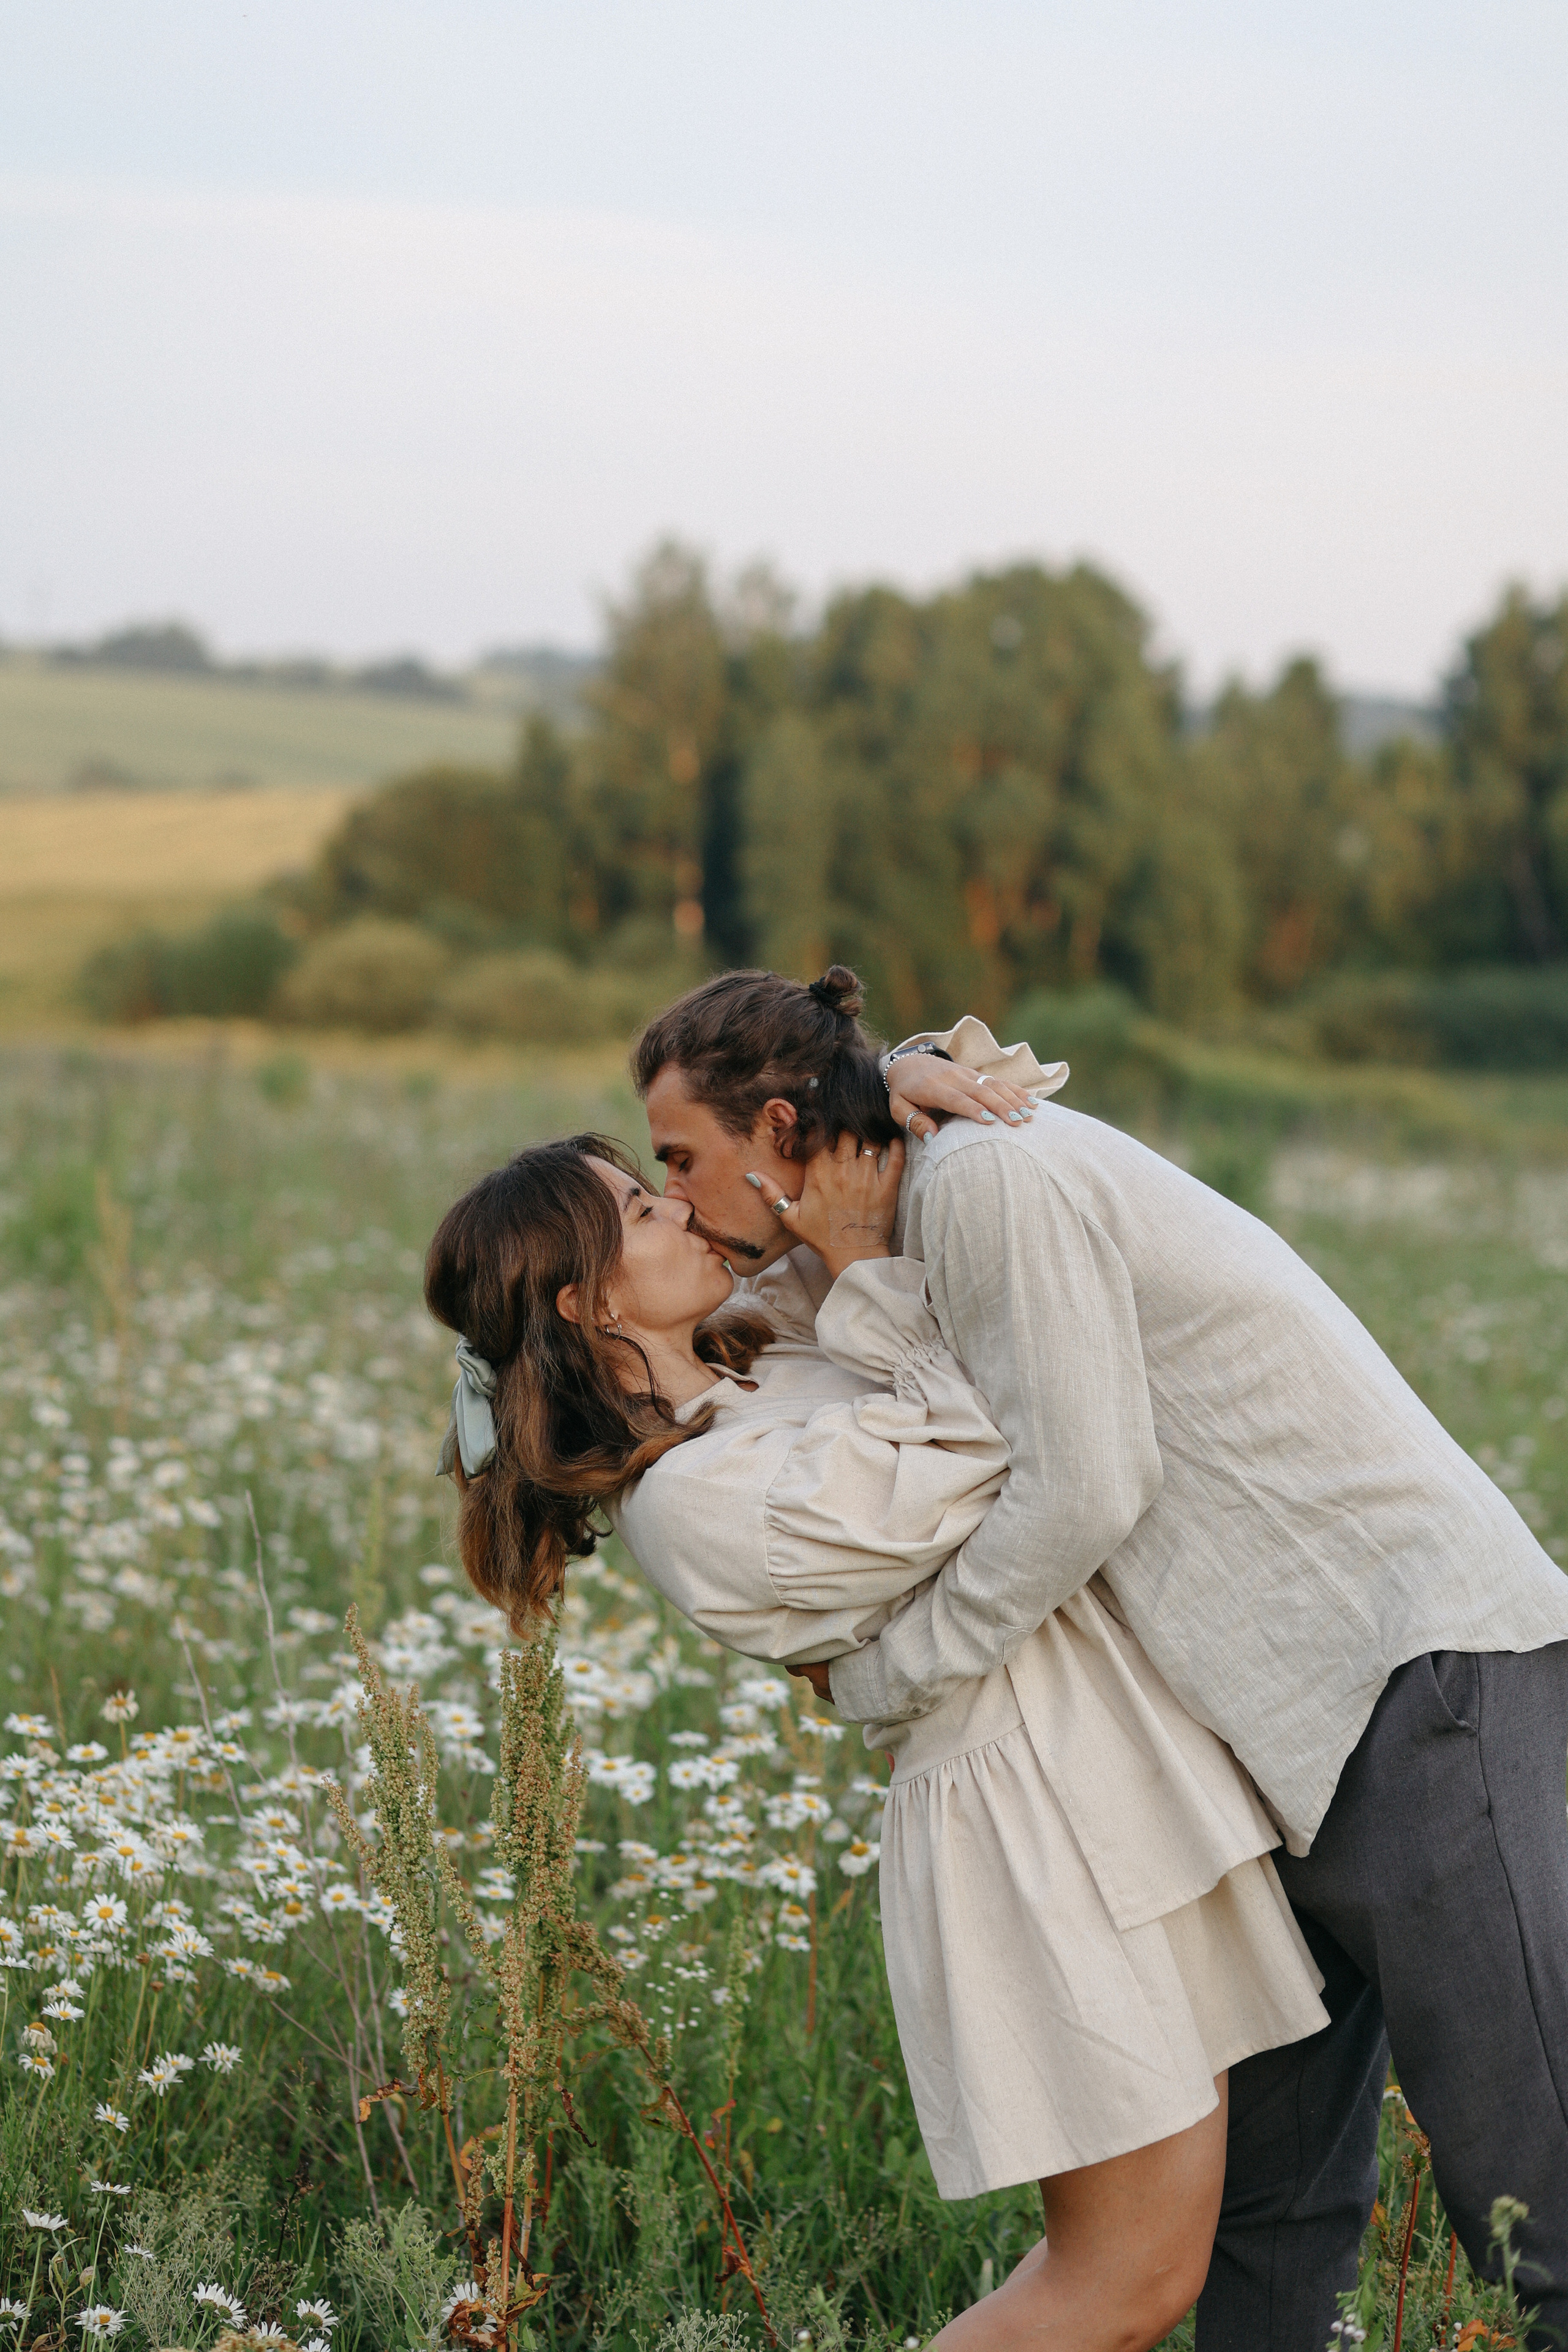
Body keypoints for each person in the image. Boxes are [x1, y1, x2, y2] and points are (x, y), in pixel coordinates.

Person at [631, 964, 1568, 2352]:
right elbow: (745, 1350)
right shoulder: (867, 1229)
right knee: (1269, 2226)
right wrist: (891, 1074)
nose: (673, 1193)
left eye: (677, 1159)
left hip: (1410, 1677)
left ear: (776, 1129)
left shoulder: (986, 1183)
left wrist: (890, 1678)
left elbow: (1083, 1492)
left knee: (1538, 2204)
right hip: (1249, 1744)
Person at [423, 1129, 1331, 2352]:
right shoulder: (694, 1500)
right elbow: (992, 1444)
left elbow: (872, 1216)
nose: (680, 1210)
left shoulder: (752, 1363)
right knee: (1123, 2282)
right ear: (588, 1304)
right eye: (641, 1210)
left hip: (1100, 1779)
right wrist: (858, 1269)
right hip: (1032, 1834)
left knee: (1169, 2251)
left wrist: (909, 1086)